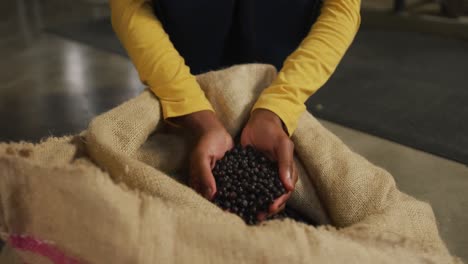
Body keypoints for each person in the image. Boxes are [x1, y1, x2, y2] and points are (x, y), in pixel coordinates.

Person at [110, 0, 361, 220]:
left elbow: (341, 7)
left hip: (276, 67)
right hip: (185, 61)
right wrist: (193, 110)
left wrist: (278, 106)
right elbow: (130, 5)